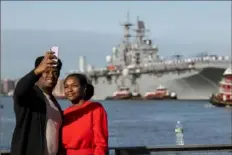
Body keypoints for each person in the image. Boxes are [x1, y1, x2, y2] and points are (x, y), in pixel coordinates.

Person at [10, 51, 63, 155]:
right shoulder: (30, 96)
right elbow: (19, 91)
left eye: (55, 72)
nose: (51, 76)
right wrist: (37, 70)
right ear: (39, 73)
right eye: (46, 71)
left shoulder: (54, 103)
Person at [60, 73, 108, 155]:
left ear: (84, 88)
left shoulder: (95, 109)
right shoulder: (65, 113)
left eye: (74, 86)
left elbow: (101, 143)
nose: (69, 90)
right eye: (66, 87)